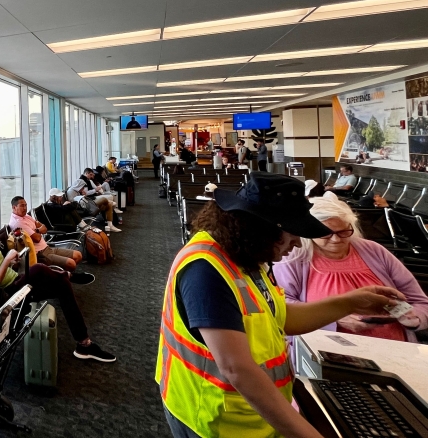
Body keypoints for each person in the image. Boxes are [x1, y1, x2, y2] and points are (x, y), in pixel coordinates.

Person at [158, 173, 406, 438]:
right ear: (261, 230)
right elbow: (237, 370)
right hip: (214, 418)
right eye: (290, 234)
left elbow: (280, 317)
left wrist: (351, 302)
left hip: (251, 414)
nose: (298, 243)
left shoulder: (245, 254)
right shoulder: (206, 271)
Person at [274, 193, 428, 343]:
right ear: (309, 232)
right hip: (328, 351)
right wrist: (332, 318)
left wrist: (415, 318)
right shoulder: (294, 257)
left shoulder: (373, 250)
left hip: (394, 347)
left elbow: (420, 301)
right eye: (325, 234)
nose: (336, 239)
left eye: (343, 232)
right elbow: (281, 308)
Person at [0, 211, 116, 362]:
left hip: (16, 279)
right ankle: (67, 275)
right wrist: (6, 261)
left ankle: (84, 343)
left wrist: (11, 262)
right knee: (39, 269)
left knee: (62, 287)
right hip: (7, 293)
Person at [8, 196, 82, 272]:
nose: (25, 208)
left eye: (25, 205)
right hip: (41, 254)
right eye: (22, 206)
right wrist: (39, 230)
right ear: (14, 207)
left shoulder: (26, 216)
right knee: (71, 263)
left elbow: (44, 228)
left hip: (47, 247)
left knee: (78, 255)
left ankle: (62, 275)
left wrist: (36, 231)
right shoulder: (18, 223)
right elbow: (37, 238)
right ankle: (63, 277)